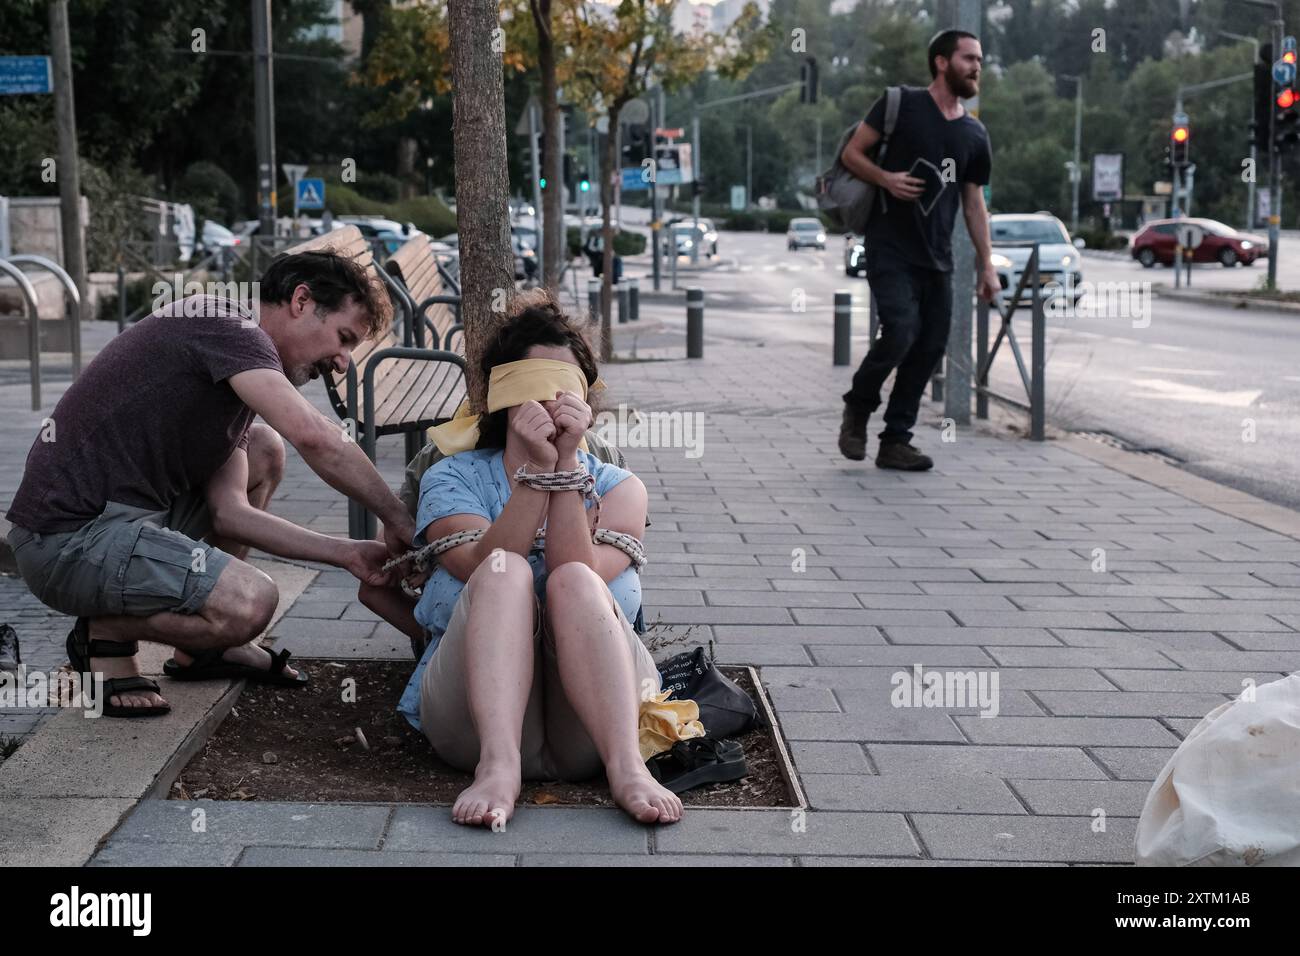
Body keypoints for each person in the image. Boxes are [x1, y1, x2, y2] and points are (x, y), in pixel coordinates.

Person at [5, 250, 409, 717]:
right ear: (301, 301)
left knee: (264, 447)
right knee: (250, 603)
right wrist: (396, 516)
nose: (342, 363)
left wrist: (349, 553)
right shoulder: (228, 328)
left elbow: (230, 514)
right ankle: (106, 635)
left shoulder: (236, 362)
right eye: (344, 338)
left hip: (122, 524)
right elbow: (315, 437)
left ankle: (204, 649)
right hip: (66, 542)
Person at [360, 289, 682, 829]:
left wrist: (565, 466)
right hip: (470, 720)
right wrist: (534, 472)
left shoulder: (620, 488)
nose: (551, 404)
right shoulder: (451, 477)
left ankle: (628, 766)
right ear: (502, 395)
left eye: (566, 390)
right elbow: (479, 564)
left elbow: (576, 568)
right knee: (503, 570)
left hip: (593, 725)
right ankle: (498, 766)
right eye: (533, 388)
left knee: (574, 578)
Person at [837, 29, 1000, 470]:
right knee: (901, 332)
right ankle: (858, 406)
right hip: (890, 246)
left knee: (929, 346)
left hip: (938, 258)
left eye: (979, 60)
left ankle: (896, 441)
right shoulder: (901, 104)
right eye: (968, 58)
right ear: (942, 62)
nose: (977, 67)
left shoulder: (974, 134)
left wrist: (987, 265)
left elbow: (974, 203)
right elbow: (852, 154)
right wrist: (885, 179)